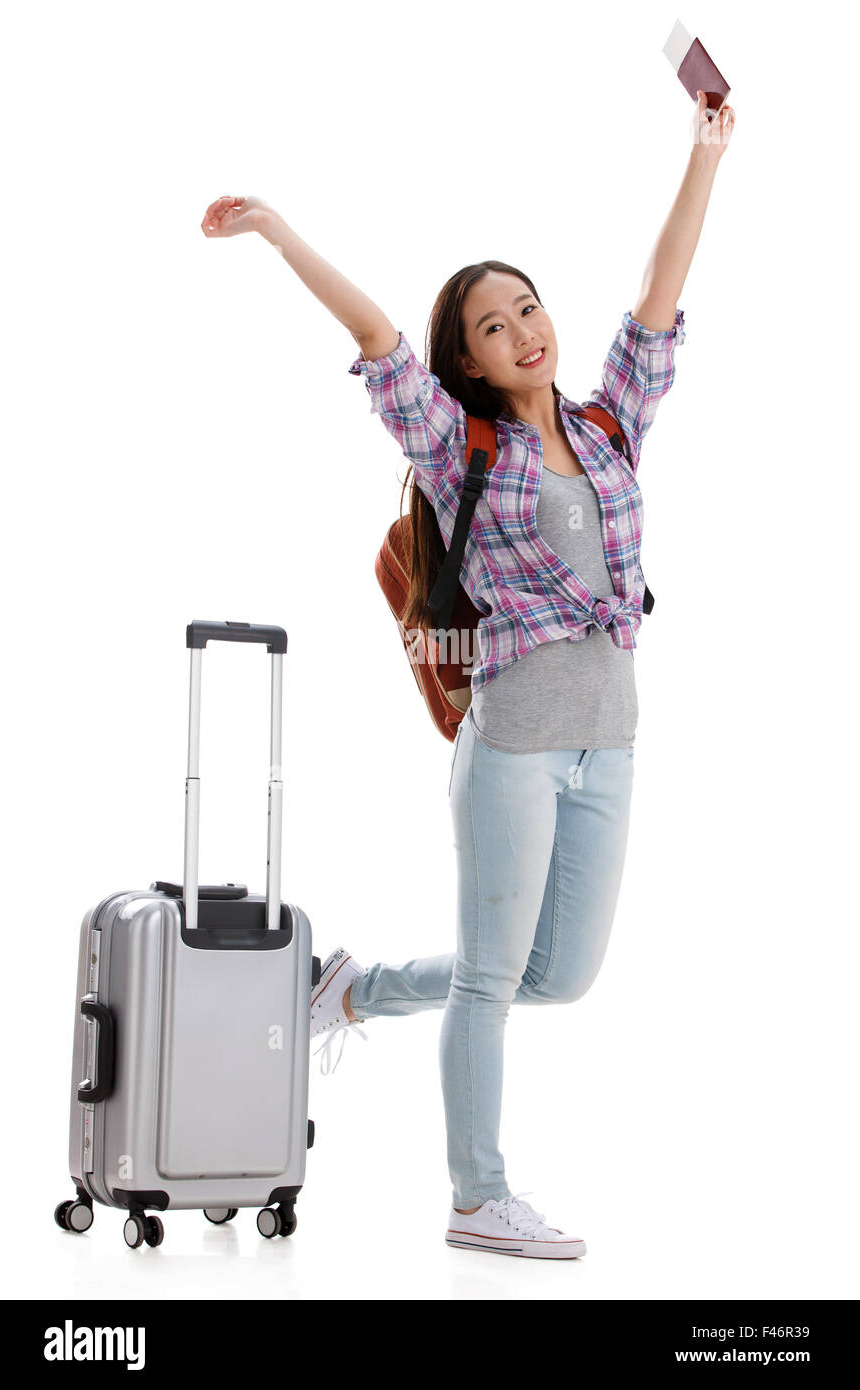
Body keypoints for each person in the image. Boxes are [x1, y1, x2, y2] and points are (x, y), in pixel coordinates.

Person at [200, 90, 735, 1260]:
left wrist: (703, 153)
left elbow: (658, 293)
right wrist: (283, 235)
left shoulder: (607, 427)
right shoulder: (456, 448)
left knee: (557, 977)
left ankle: (351, 986)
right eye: (494, 325)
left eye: (530, 308)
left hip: (610, 741)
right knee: (493, 977)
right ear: (469, 358)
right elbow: (380, 339)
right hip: (511, 746)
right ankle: (474, 1194)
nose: (525, 330)